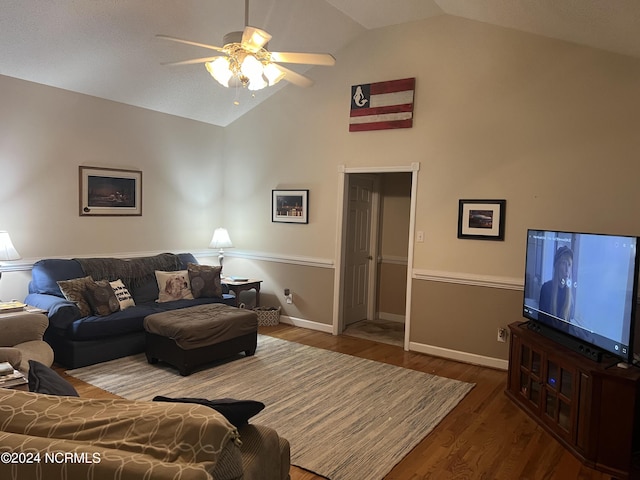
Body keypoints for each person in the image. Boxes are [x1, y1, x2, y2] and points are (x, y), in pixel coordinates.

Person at [539, 246, 573, 322]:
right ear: (556, 266)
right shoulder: (546, 288)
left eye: (569, 265)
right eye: (564, 264)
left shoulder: (570, 296)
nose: (567, 269)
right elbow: (541, 320)